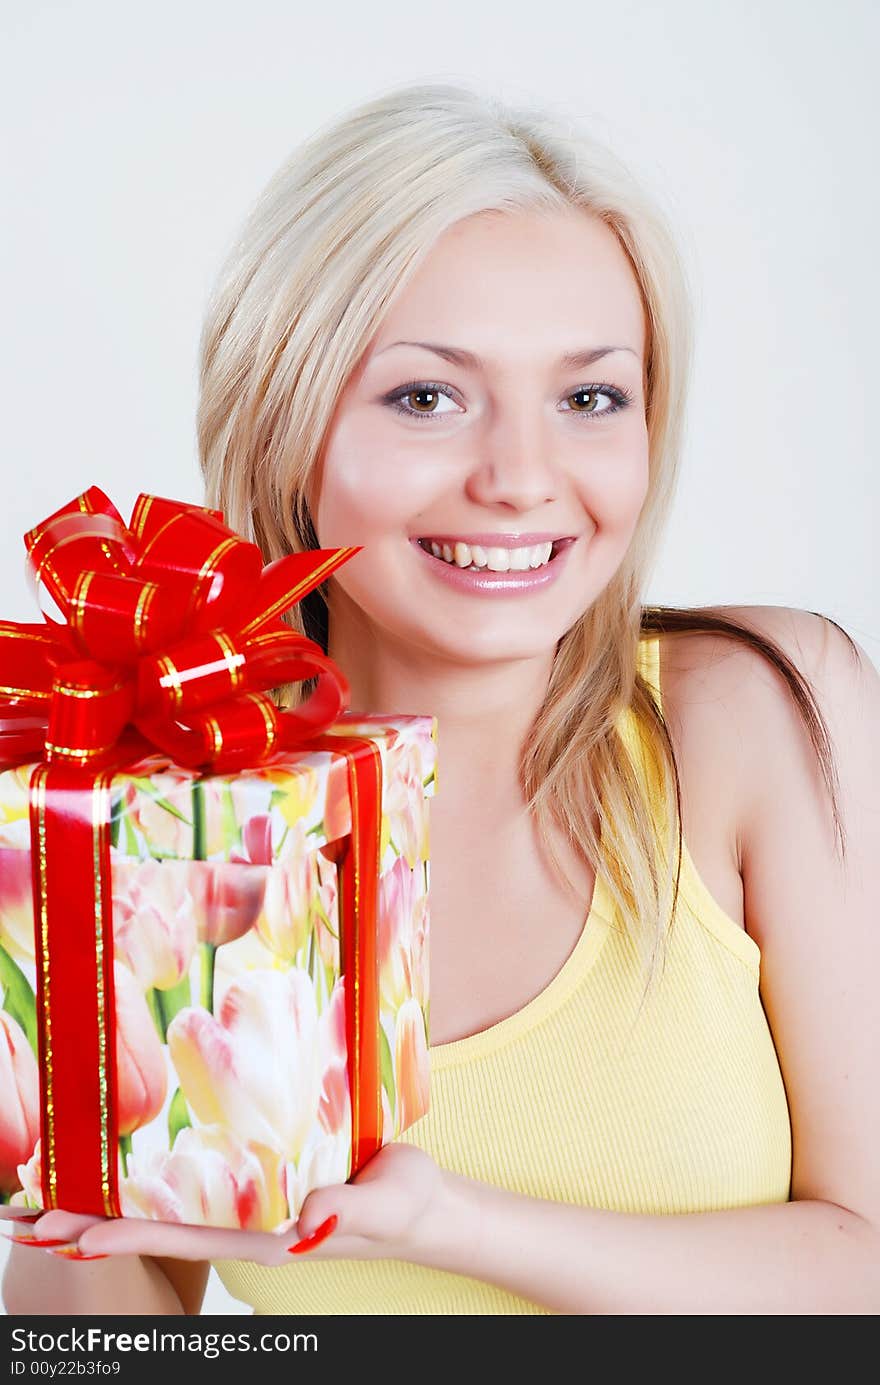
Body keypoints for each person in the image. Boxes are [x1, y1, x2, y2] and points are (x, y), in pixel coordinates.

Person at [3, 80, 878, 1318]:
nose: (523, 478)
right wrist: (56, 1054)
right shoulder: (179, 809)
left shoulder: (762, 718)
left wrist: (444, 1222)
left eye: (589, 398)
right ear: (286, 425)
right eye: (426, 396)